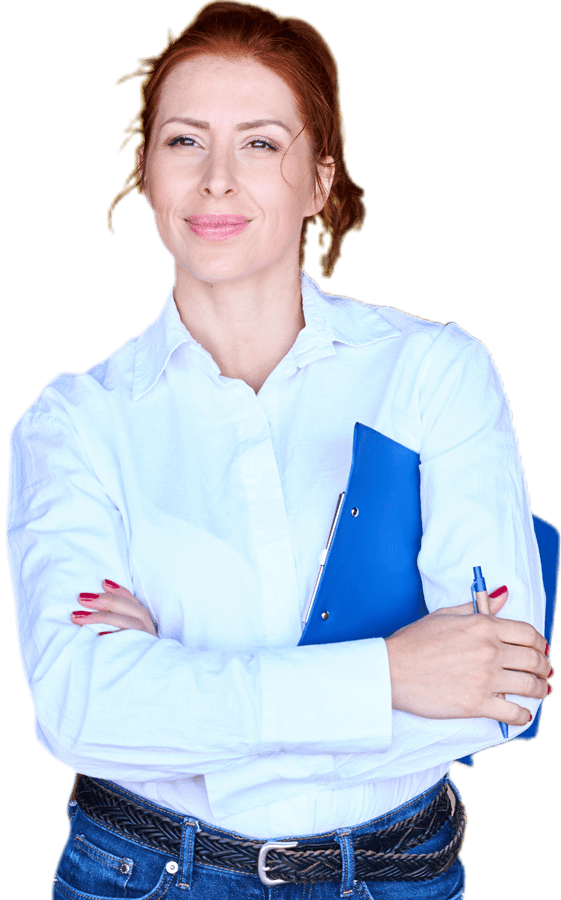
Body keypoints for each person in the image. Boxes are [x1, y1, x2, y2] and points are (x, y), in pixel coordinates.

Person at [5, 2, 553, 898]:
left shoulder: (431, 373)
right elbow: (79, 709)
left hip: (393, 874)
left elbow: (501, 691)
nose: (217, 180)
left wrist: (180, 684)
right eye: (184, 141)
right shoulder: (76, 421)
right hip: (144, 873)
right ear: (147, 176)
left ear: (317, 180)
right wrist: (390, 673)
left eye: (259, 144)